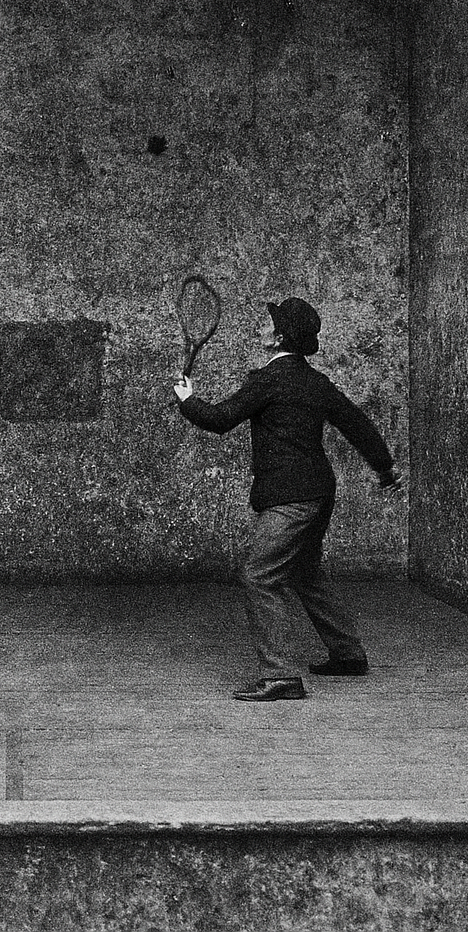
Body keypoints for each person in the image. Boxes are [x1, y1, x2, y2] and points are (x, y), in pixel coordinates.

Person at [173, 297, 400, 702]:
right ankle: (348, 654)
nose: (260, 328)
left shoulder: (268, 380)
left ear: (278, 336)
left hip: (290, 499)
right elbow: (357, 424)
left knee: (259, 576)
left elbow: (220, 419)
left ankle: (280, 675)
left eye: (266, 323)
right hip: (319, 492)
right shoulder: (316, 382)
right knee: (304, 573)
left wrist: (188, 399)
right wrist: (384, 468)